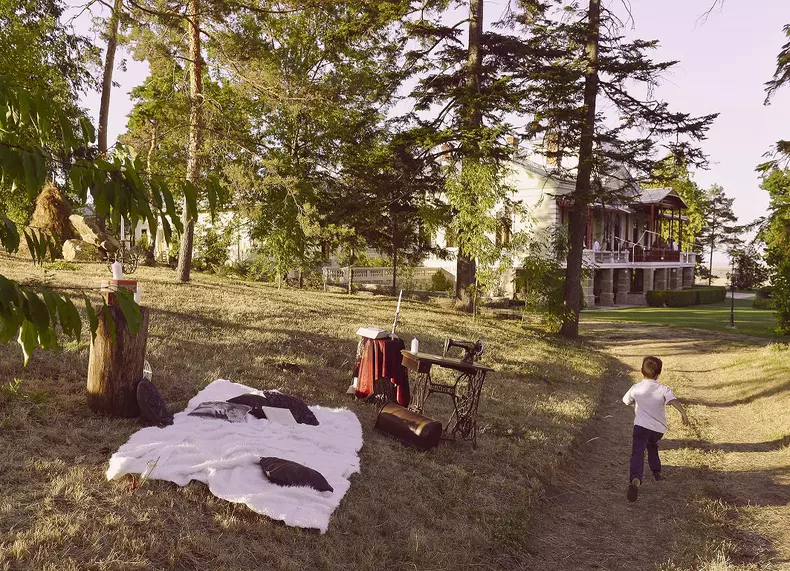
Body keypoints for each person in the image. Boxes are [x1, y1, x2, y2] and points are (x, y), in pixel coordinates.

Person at [622, 356, 689, 502]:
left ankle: (635, 479)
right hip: (657, 430)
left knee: (638, 452)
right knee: (652, 445)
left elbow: (626, 400)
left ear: (641, 371)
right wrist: (683, 413)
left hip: (640, 427)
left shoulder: (636, 388)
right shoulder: (663, 389)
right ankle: (657, 472)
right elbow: (673, 401)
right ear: (659, 374)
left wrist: (636, 400)